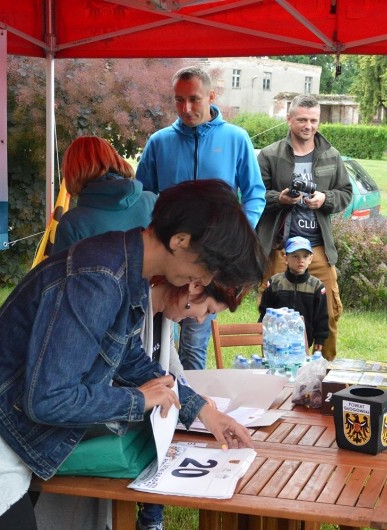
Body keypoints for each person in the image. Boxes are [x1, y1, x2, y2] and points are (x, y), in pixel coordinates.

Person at [0, 180, 265, 530]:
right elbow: (49, 398)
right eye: (209, 264)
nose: (206, 280)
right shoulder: (98, 277)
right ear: (180, 240)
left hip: (7, 436)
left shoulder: (123, 267)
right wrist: (138, 399)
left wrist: (201, 410)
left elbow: (126, 355)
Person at [35, 279, 245, 530]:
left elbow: (144, 369)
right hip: (52, 443)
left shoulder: (153, 311)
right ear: (193, 285)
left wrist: (203, 411)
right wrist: (140, 399)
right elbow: (70, 394)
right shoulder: (121, 305)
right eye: (206, 309)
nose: (199, 318)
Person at [135, 65, 266, 374]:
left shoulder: (236, 138)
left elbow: (255, 194)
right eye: (179, 100)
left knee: (195, 336)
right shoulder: (159, 142)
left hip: (211, 261)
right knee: (158, 337)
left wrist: (235, 240)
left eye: (193, 99)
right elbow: (143, 197)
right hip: (166, 260)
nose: (186, 108)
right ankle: (160, 399)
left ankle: (191, 403)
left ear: (211, 96)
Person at [255, 94, 352, 360]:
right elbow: (254, 194)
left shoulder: (331, 155)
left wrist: (325, 199)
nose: (308, 126)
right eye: (302, 120)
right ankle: (274, 375)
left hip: (317, 247)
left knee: (329, 312)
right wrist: (280, 198)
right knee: (273, 317)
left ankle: (325, 376)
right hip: (280, 248)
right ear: (289, 120)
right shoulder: (270, 155)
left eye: (313, 120)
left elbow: (345, 193)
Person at [52, 135, 156, 254]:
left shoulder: (73, 223)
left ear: (71, 172)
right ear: (115, 158)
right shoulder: (152, 201)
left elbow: (58, 272)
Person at [258, 236, 328, 353]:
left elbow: (321, 316)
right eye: (295, 256)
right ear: (286, 259)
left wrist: (320, 338)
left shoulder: (316, 286)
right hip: (277, 338)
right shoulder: (275, 282)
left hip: (303, 340)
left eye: (305, 256)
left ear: (311, 259)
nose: (300, 260)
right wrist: (262, 327)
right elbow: (265, 310)